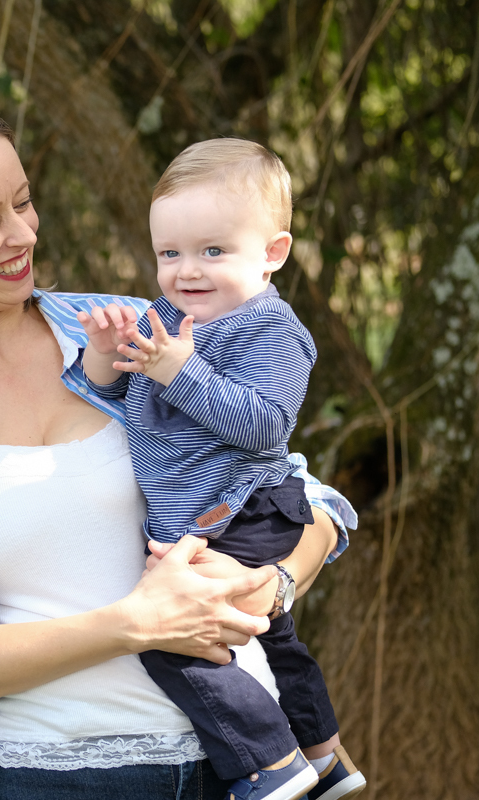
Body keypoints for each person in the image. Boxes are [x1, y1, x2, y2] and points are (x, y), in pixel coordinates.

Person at [0, 84, 357, 800]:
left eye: (24, 201)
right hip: (42, 778)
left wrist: (278, 579)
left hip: (234, 769)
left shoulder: (131, 328)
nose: (23, 235)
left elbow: (300, 490)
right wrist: (130, 626)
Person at [78, 139, 365, 800]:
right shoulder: (165, 320)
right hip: (211, 511)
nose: (188, 271)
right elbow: (121, 399)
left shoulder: (270, 329)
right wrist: (103, 355)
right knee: (277, 639)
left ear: (272, 254)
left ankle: (270, 763)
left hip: (249, 506)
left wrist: (181, 371)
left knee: (170, 639)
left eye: (213, 251)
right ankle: (325, 758)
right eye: (169, 254)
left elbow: (265, 422)